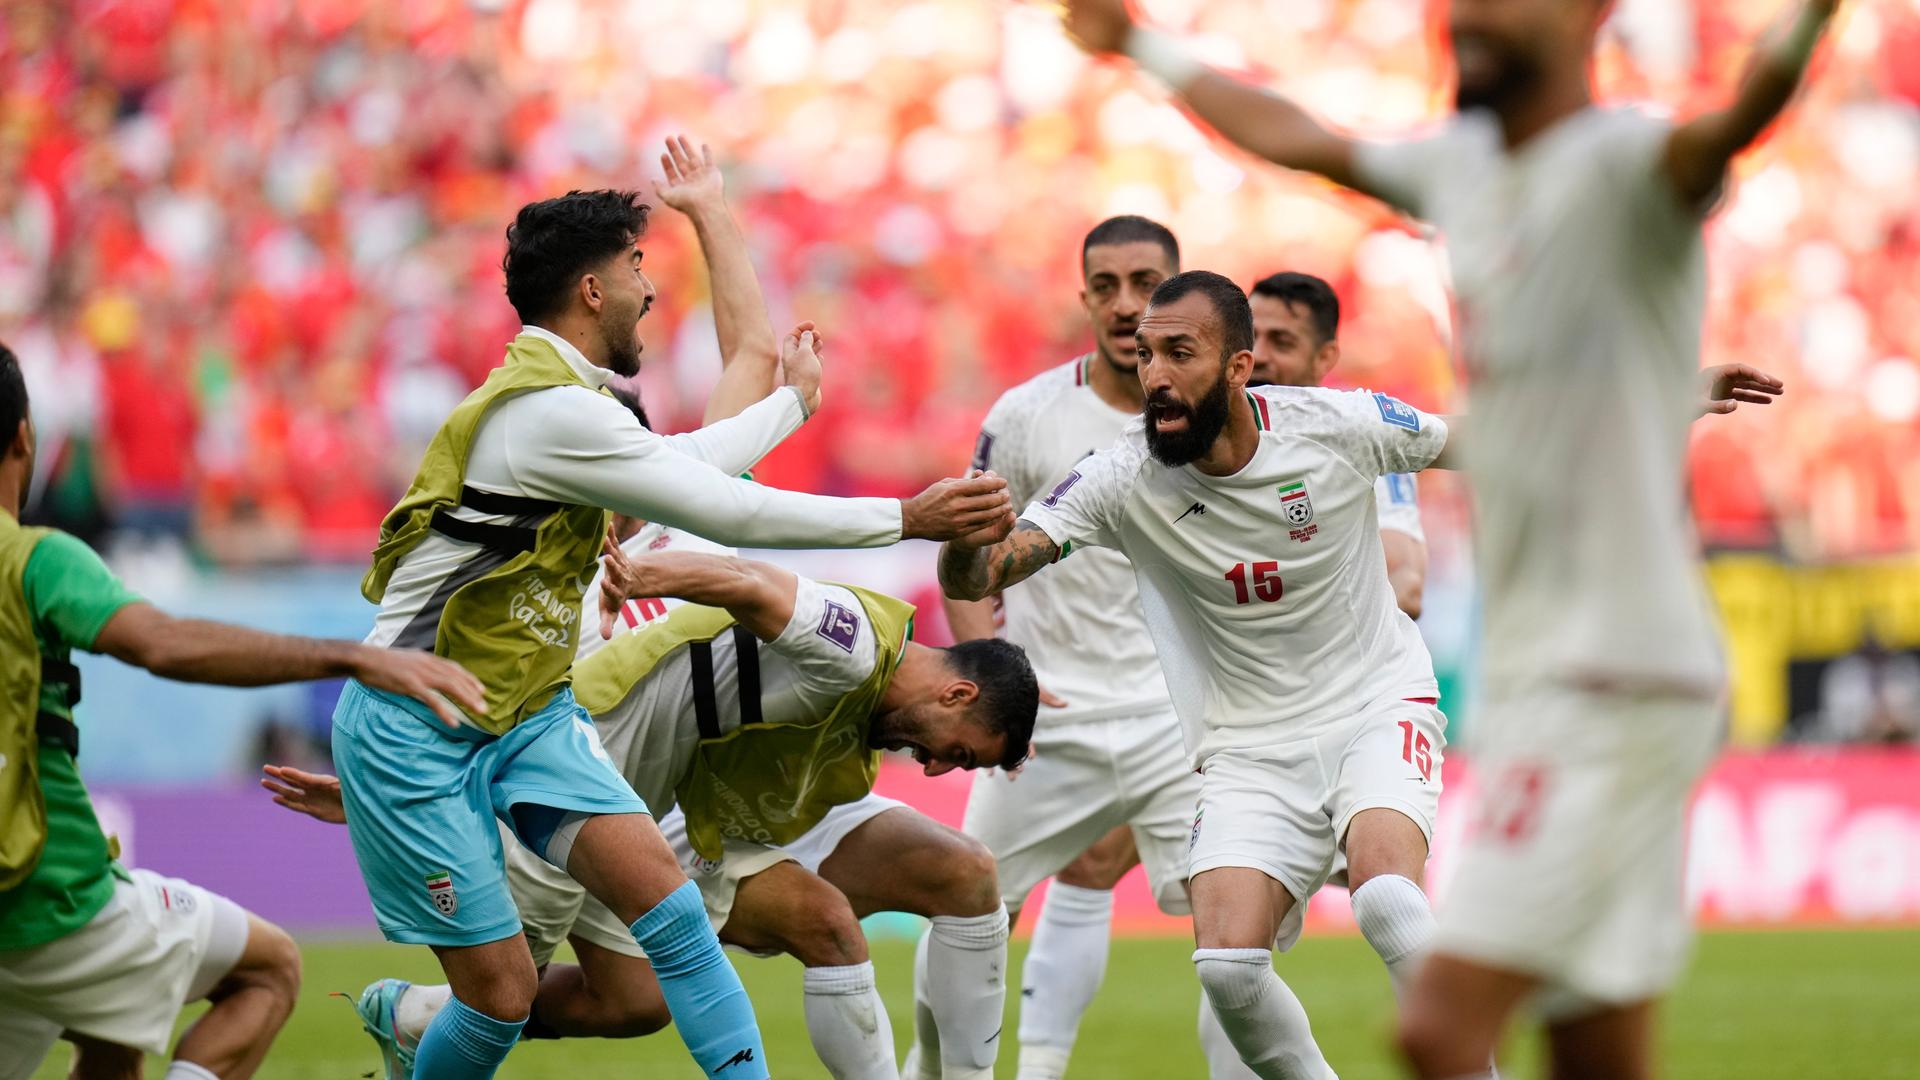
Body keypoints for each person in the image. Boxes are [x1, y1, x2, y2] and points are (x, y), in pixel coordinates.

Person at [1061, 3, 1817, 1075]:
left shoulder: (1628, 162)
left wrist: (1815, 17)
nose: (1467, 15)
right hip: (1543, 671)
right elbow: (1296, 135)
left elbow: (1731, 122)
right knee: (1594, 1043)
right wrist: (1142, 42)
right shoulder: (1463, 167)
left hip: (1619, 676)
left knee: (1441, 1025)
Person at [335, 134, 1014, 1080]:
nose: (651, 291)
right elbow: (719, 498)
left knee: (661, 956)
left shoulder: (600, 442)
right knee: (500, 1001)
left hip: (534, 728)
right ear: (591, 290)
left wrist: (788, 399)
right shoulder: (552, 419)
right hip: (444, 730)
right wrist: (906, 515)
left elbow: (705, 462)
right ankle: (417, 1022)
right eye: (635, 268)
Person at [942, 271, 1463, 1079]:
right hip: (1247, 745)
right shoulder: (1119, 476)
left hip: (1374, 702)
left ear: (1238, 367)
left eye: (1179, 354)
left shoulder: (1338, 424)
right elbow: (986, 575)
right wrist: (963, 536)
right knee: (1227, 967)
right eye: (1147, 355)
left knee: (1388, 898)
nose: (1154, 376)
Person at [265, 542, 1039, 1080]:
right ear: (956, 692)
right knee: (500, 998)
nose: (939, 768)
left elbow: (742, 394)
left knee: (633, 1003)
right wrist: (640, 574)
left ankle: (419, 1013)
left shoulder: (869, 714)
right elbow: (751, 582)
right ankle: (425, 1018)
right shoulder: (855, 645)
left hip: (702, 799)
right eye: (959, 750)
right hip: (603, 776)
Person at [0, 341, 486, 1080]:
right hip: (50, 893)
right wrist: (349, 655)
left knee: (113, 1032)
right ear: (25, 438)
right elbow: (163, 644)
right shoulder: (34, 559)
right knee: (269, 970)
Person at [936, 215, 1206, 1080]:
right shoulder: (1024, 417)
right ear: (1083, 294)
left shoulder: (1223, 420)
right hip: (1048, 722)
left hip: (1184, 725)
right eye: (1106, 285)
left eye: (1146, 282)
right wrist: (994, 688)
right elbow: (965, 569)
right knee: (967, 906)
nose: (1126, 304)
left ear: (1178, 287)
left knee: (1237, 938)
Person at [1248, 271, 1425, 620]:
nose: (1258, 354)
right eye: (1249, 337)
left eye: (1281, 342)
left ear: (1325, 359)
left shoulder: (1364, 438)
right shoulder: (1191, 438)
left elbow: (1406, 585)